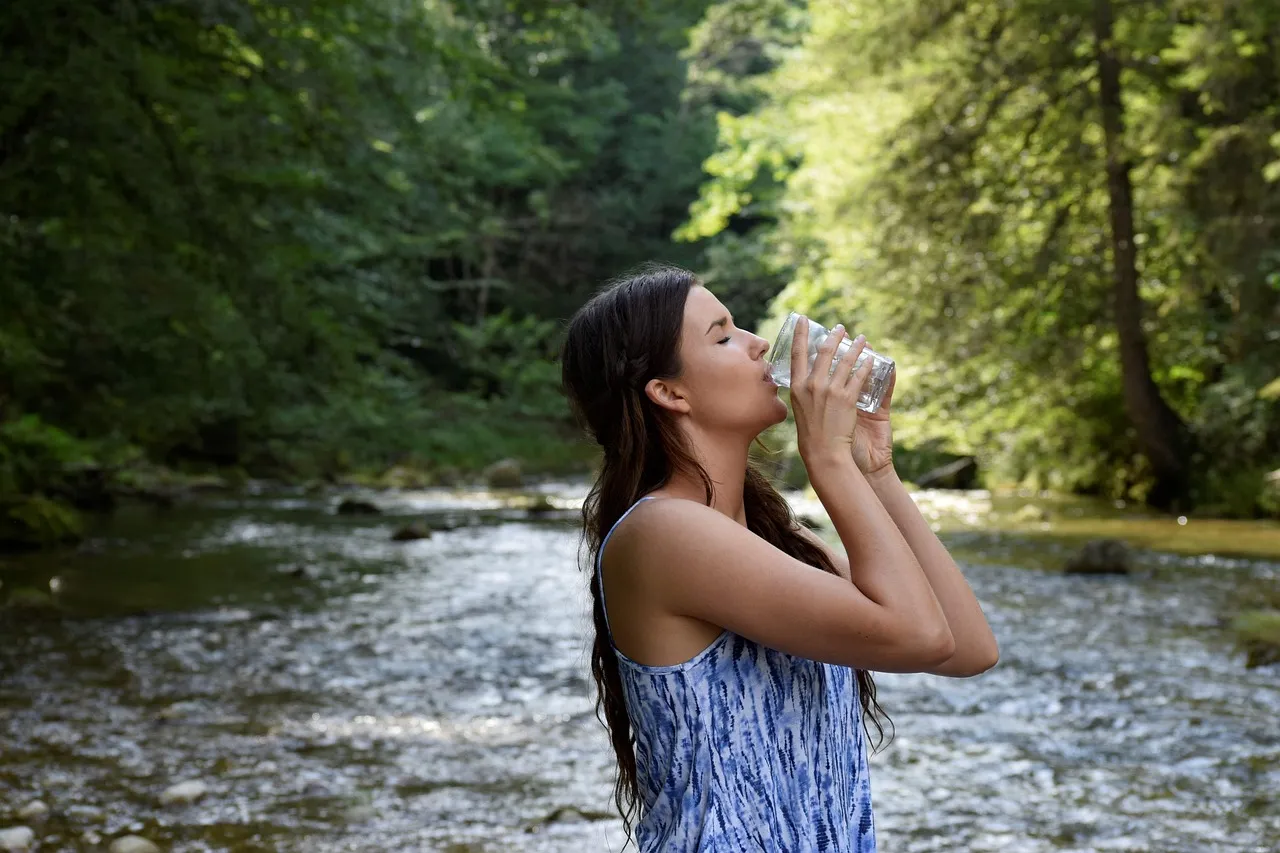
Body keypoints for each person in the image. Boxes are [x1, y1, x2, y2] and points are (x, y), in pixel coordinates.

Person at [559, 264, 998, 852]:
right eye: (723, 336)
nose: (759, 344)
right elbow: (918, 635)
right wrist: (829, 460)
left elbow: (967, 647)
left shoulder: (774, 539)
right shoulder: (664, 532)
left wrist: (875, 470)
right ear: (670, 393)